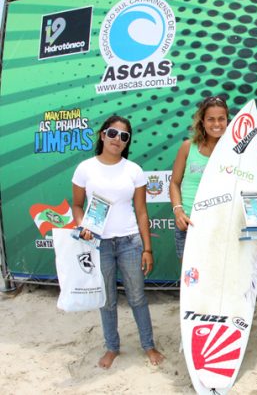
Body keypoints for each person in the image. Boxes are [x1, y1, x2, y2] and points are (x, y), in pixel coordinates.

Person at [71, 115, 164, 368]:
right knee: (107, 299)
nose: (118, 140)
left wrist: (147, 248)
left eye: (124, 136)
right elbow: (77, 206)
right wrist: (83, 225)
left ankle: (149, 345)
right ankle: (112, 347)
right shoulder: (85, 168)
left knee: (137, 297)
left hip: (130, 242)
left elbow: (142, 212)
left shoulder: (134, 170)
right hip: (98, 244)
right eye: (113, 133)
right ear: (102, 135)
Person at [169, 96, 229, 258]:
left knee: (220, 280)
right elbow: (174, 183)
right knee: (191, 281)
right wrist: (178, 211)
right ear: (202, 121)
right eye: (211, 119)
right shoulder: (188, 147)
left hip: (222, 225)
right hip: (190, 224)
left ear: (227, 120)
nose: (216, 124)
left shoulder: (234, 151)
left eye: (221, 119)